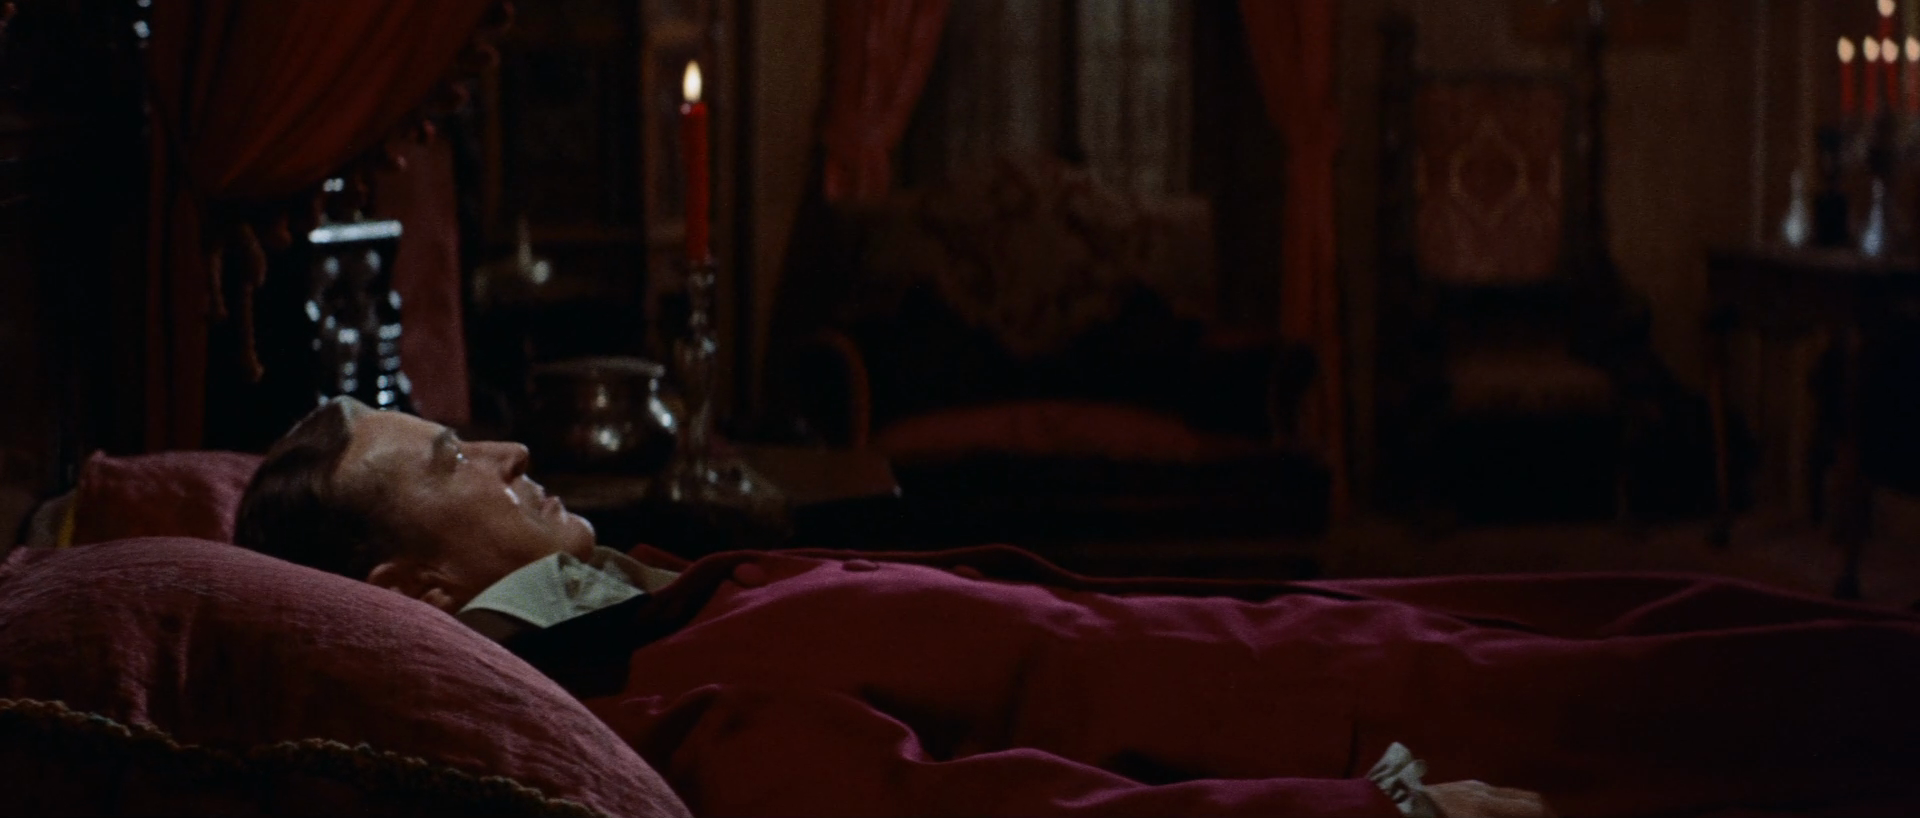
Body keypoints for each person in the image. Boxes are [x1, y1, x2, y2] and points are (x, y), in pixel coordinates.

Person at [235, 398, 1920, 818]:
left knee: (1754, 640)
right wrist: (1380, 810)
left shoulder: (642, 600)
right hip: (1348, 727)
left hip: (1307, 634)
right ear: (413, 588)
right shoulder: (641, 700)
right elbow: (964, 814)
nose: (507, 448)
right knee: (1803, 719)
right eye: (448, 455)